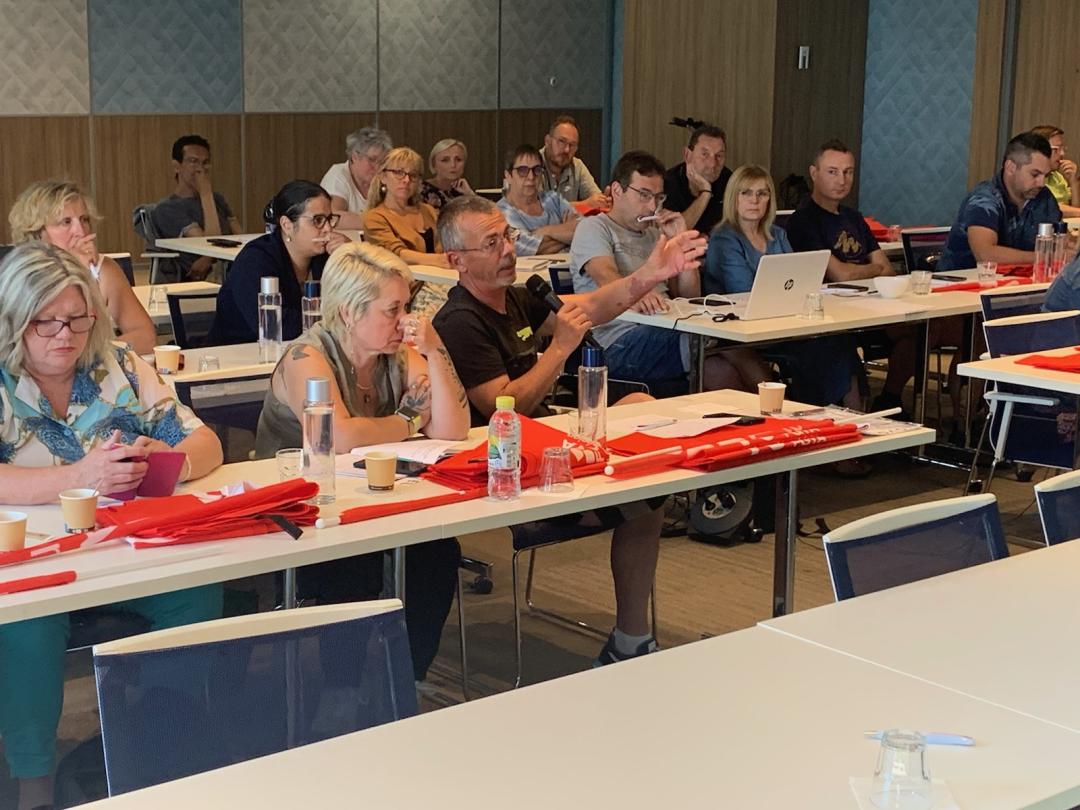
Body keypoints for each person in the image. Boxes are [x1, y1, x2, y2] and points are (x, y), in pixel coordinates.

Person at [434, 195, 706, 665]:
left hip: (553, 447)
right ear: (457, 260)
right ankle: (630, 638)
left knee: (642, 419)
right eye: (492, 243)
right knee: (642, 494)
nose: (508, 250)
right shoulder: (459, 321)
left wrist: (652, 273)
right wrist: (558, 350)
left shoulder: (517, 298)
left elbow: (592, 306)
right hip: (508, 475)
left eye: (508, 237)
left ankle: (630, 639)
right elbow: (504, 410)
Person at [0, 243, 224, 810]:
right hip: (32, 559)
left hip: (124, 547)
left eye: (78, 318)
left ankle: (155, 743)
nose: (65, 335)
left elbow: (206, 442)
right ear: (13, 319)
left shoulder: (117, 365)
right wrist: (78, 476)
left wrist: (169, 460)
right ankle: (33, 782)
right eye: (45, 321)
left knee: (196, 589)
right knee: (27, 623)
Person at [254, 241, 467, 680]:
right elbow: (339, 436)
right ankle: (343, 689)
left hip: (370, 503)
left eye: (406, 307)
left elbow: (452, 428)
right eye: (392, 310)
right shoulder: (306, 356)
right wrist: (407, 421)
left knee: (437, 552)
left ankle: (407, 677)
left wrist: (435, 350)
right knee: (352, 564)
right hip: (299, 513)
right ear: (349, 312)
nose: (405, 320)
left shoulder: (396, 352)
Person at [570, 150, 763, 394]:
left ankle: (774, 408)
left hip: (666, 325)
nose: (652, 206)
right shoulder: (594, 227)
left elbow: (688, 296)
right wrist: (637, 293)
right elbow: (605, 276)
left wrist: (681, 242)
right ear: (617, 190)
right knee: (715, 343)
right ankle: (778, 406)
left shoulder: (654, 235)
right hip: (615, 340)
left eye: (658, 197)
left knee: (721, 360)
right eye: (644, 195)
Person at [705, 165, 857, 408]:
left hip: (783, 321)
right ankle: (806, 410)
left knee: (840, 342)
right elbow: (742, 290)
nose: (754, 200)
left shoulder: (778, 234)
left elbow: (797, 278)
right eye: (746, 193)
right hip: (740, 328)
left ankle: (851, 414)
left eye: (762, 193)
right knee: (818, 349)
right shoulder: (724, 237)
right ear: (734, 197)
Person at [8, 180, 155, 354]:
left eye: (84, 220)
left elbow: (146, 338)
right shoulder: (19, 276)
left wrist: (97, 355)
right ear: (38, 232)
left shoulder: (103, 270)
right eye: (66, 222)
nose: (80, 231)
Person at [209, 181, 350, 345]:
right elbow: (276, 326)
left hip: (306, 349)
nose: (328, 229)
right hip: (239, 352)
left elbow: (357, 307)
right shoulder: (255, 259)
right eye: (317, 220)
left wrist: (349, 257)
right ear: (286, 225)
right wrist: (334, 321)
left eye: (329, 219)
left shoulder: (326, 256)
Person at [938, 131, 1062, 270]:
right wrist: (1045, 258)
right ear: (1011, 167)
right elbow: (985, 255)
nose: (1041, 183)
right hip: (963, 279)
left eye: (1046, 176)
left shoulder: (1044, 197)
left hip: (1019, 280)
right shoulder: (984, 199)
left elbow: (1059, 240)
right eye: (1035, 174)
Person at [786, 140, 892, 281]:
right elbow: (842, 275)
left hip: (868, 292)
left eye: (848, 172)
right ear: (814, 173)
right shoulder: (802, 221)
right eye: (832, 172)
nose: (842, 181)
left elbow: (888, 270)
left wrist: (863, 270)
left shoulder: (854, 217)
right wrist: (875, 269)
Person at [363, 147, 451, 317]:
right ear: (383, 177)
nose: (406, 180)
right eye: (399, 173)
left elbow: (447, 243)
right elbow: (396, 254)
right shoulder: (375, 216)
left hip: (443, 278)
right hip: (407, 289)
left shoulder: (428, 210)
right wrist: (437, 260)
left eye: (413, 175)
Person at [151, 134, 241, 282]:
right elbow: (206, 244)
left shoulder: (218, 199)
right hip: (201, 278)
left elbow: (240, 236)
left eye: (205, 163)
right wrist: (205, 193)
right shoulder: (167, 208)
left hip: (230, 268)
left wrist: (208, 258)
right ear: (177, 166)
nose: (200, 169)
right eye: (193, 161)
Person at [496, 144, 580, 255]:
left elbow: (585, 229)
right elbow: (527, 250)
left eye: (537, 170)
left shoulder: (554, 199)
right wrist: (567, 234)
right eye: (522, 170)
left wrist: (546, 231)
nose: (531, 177)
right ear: (508, 176)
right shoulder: (501, 213)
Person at [663, 124, 732, 232]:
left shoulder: (731, 182)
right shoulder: (667, 183)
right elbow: (674, 232)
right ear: (687, 155)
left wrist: (709, 236)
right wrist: (705, 193)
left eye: (719, 156)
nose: (712, 164)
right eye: (705, 154)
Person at [321, 127, 394, 230]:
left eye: (383, 162)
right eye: (372, 160)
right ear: (354, 157)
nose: (378, 167)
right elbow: (333, 216)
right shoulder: (337, 175)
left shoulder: (385, 177)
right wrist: (382, 223)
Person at [540, 115, 608, 209]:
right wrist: (586, 204)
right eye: (561, 141)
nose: (567, 150)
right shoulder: (531, 165)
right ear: (547, 141)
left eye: (572, 145)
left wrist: (604, 201)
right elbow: (537, 209)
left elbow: (595, 198)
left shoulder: (577, 166)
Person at [1031, 125, 1080, 217]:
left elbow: (1074, 210)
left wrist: (1073, 181)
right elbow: (1047, 207)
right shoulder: (1031, 178)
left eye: (1063, 149)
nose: (1062, 154)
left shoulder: (1057, 177)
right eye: (1056, 150)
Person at [420, 138, 475, 210]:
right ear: (433, 164)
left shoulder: (464, 190)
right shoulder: (421, 191)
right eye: (445, 160)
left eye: (458, 160)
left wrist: (470, 194)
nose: (453, 165)